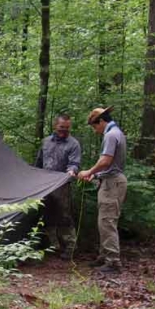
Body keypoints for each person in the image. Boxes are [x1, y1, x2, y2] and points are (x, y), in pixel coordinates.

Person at [77, 107, 127, 274]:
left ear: (101, 121)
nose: (95, 130)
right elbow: (109, 165)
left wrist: (89, 172)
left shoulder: (111, 135)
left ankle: (113, 261)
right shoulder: (115, 132)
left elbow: (106, 160)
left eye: (94, 126)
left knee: (107, 222)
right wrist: (96, 175)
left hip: (112, 184)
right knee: (104, 222)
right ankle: (104, 256)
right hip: (109, 181)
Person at [34, 114, 81, 260]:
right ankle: (52, 246)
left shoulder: (73, 144)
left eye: (67, 128)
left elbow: (75, 163)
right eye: (61, 127)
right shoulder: (46, 142)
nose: (64, 130)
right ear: (56, 125)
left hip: (62, 185)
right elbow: (39, 162)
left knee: (64, 216)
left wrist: (72, 170)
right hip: (45, 185)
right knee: (46, 215)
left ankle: (70, 248)